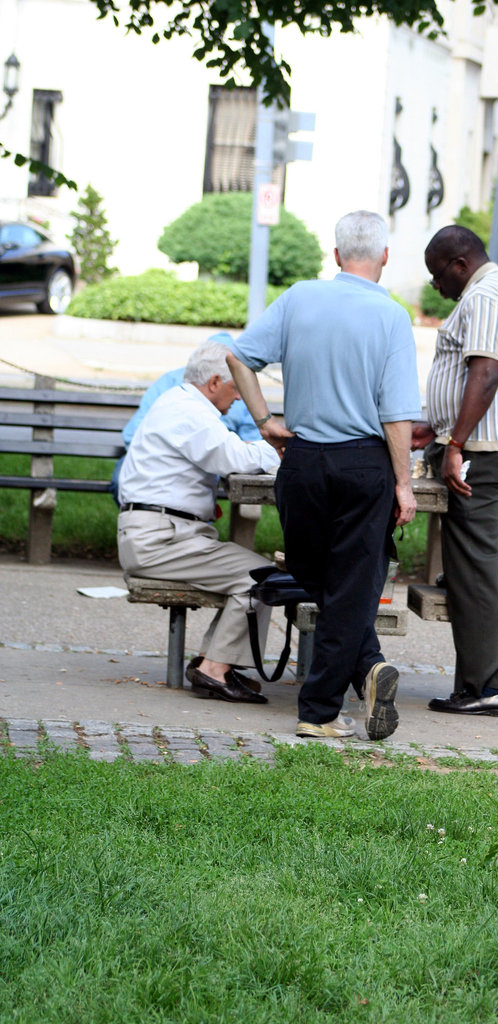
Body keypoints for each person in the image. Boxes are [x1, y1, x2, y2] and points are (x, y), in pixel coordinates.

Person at [226, 210, 422, 740]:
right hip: (364, 463)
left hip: (305, 460)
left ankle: (363, 671)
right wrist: (404, 485)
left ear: (336, 256)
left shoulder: (298, 297)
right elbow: (396, 412)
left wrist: (266, 420)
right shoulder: (392, 317)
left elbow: (239, 357)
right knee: (350, 589)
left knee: (322, 580)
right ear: (384, 256)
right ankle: (320, 710)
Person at [412, 225, 498, 718]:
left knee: (477, 571)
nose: (436, 286)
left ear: (459, 264)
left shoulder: (486, 297)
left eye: (437, 275)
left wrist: (456, 442)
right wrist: (439, 426)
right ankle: (479, 684)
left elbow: (484, 374)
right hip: (480, 444)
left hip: (481, 451)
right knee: (468, 568)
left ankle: (487, 688)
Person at [117, 339, 281, 703]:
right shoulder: (189, 410)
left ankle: (213, 662)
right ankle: (214, 669)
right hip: (160, 540)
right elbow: (233, 456)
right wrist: (282, 449)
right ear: (214, 383)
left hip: (161, 535)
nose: (238, 398)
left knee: (258, 574)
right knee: (263, 579)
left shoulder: (180, 403)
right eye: (236, 388)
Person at [109, 331, 259, 505]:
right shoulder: (170, 384)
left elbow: (249, 441)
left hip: (219, 459)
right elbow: (133, 434)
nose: (239, 396)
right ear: (215, 380)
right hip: (156, 460)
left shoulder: (241, 390)